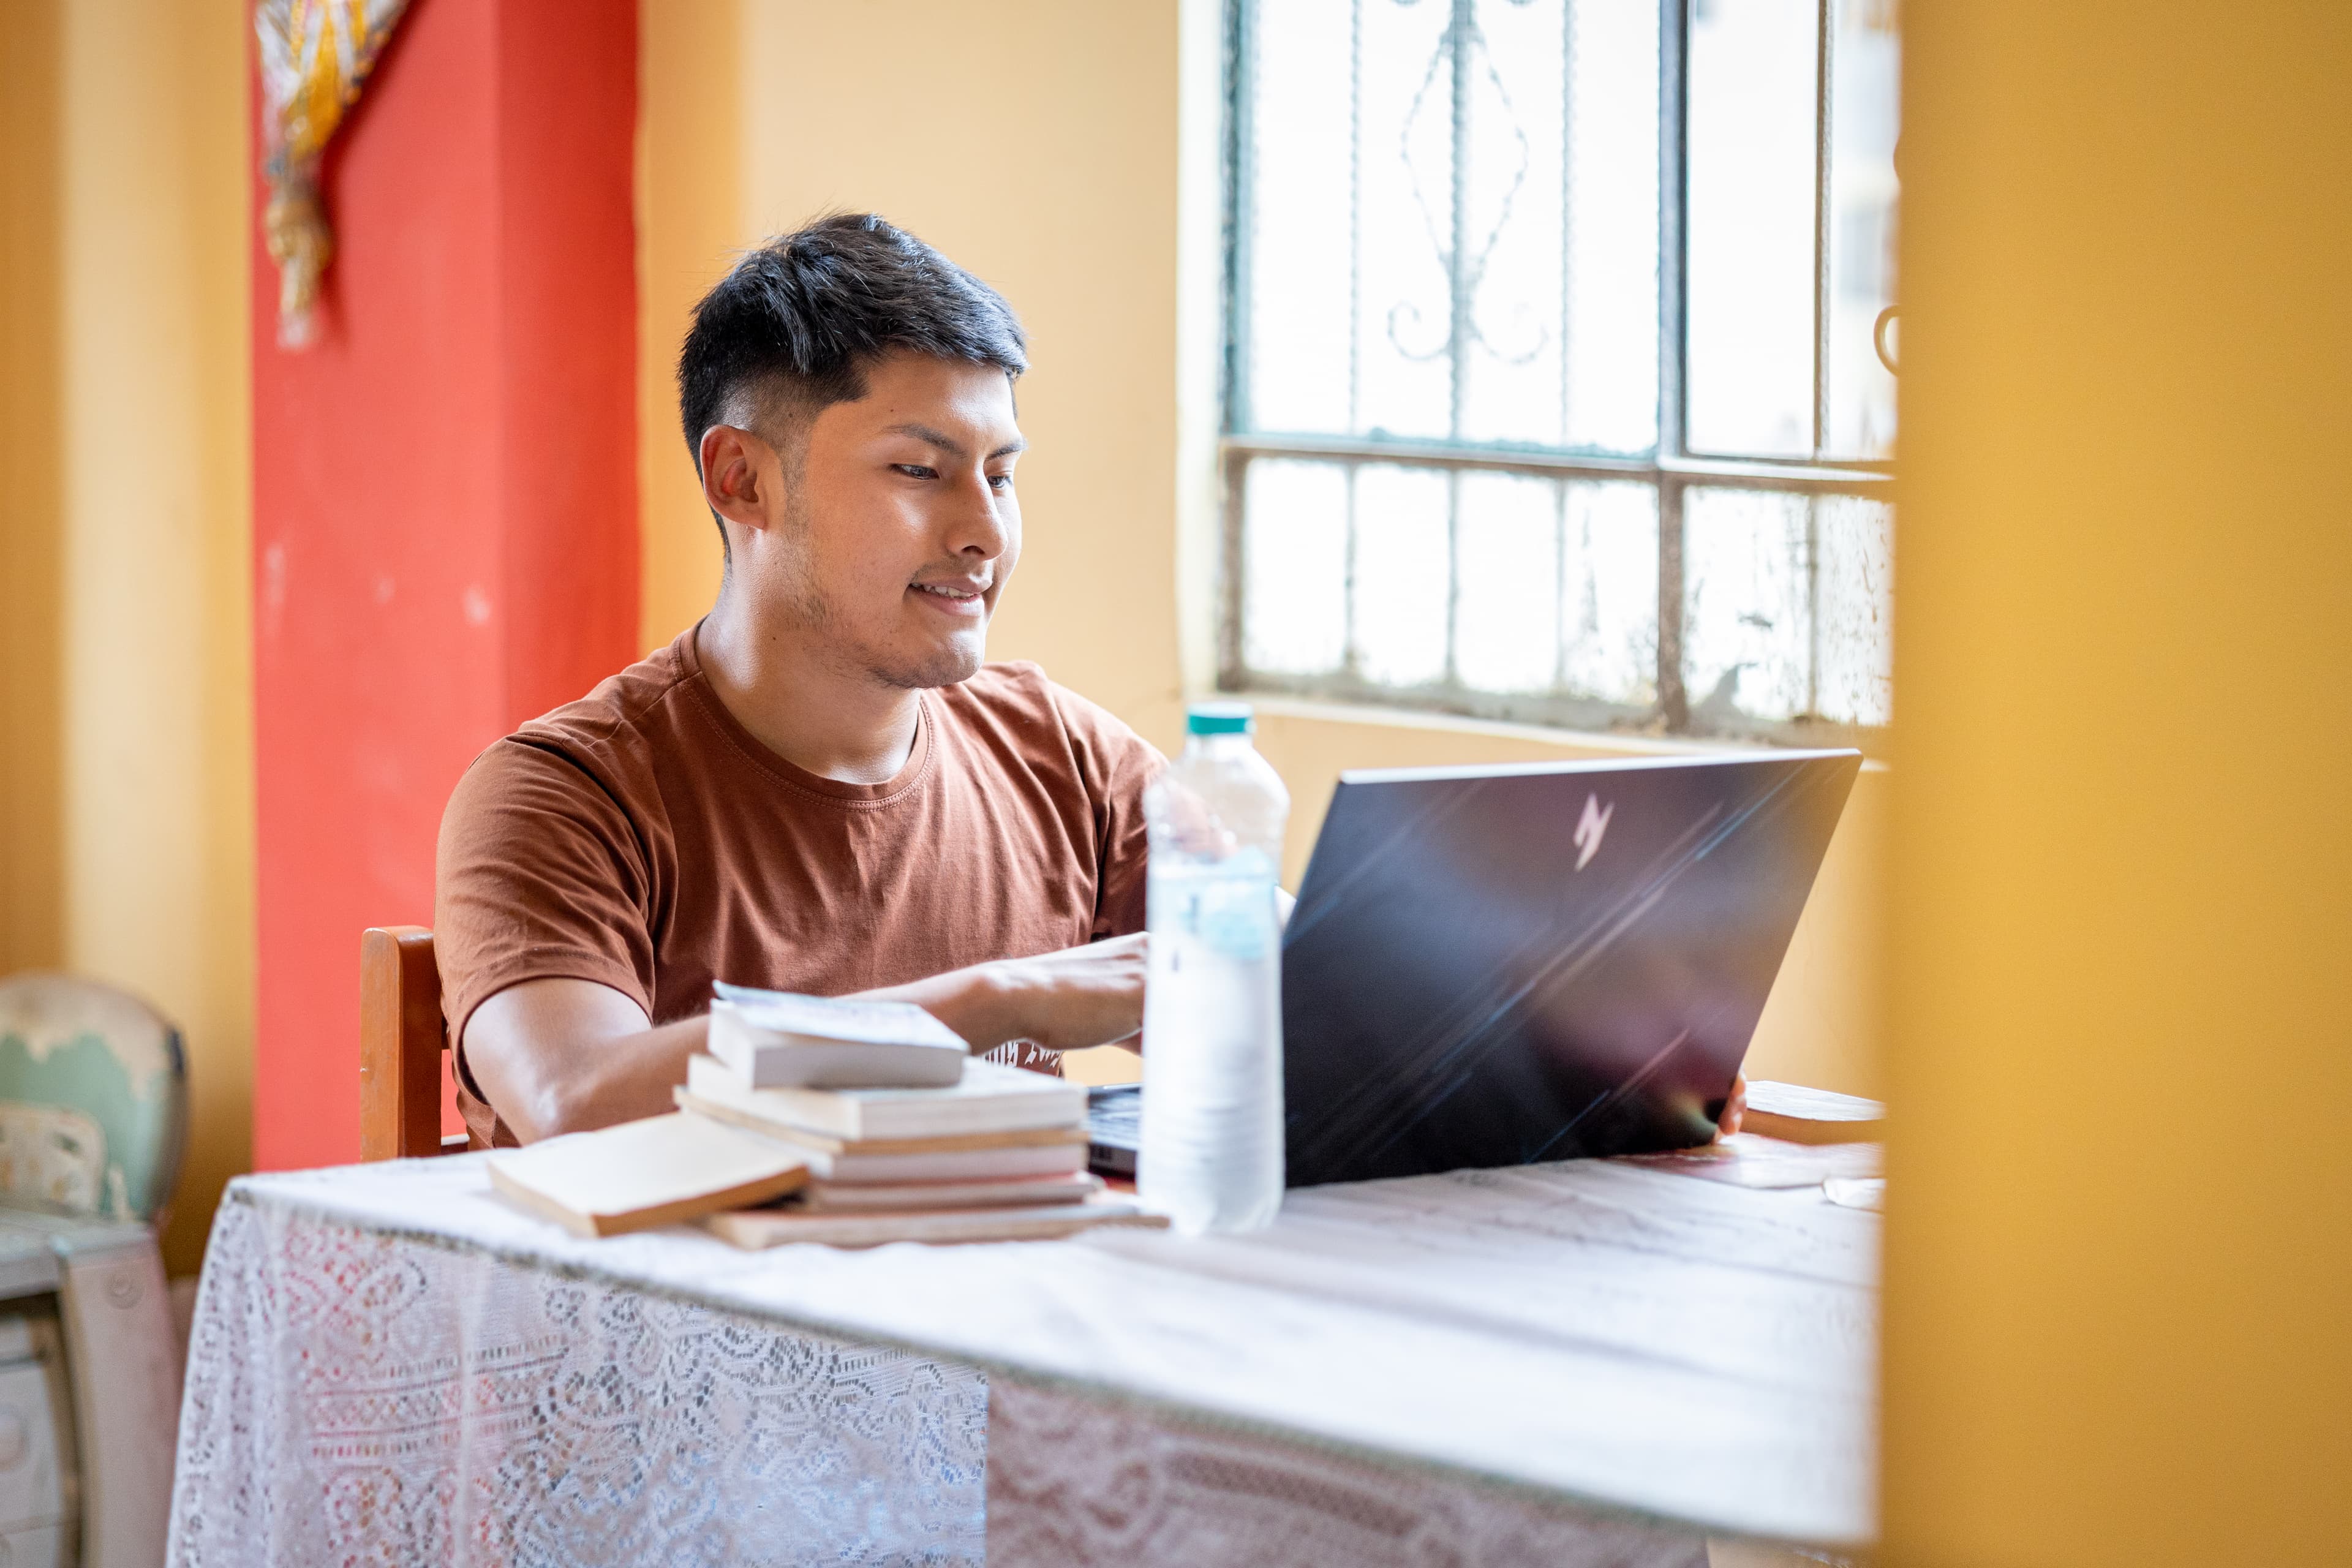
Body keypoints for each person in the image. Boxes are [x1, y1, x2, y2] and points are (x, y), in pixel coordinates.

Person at [436, 213, 1746, 1148]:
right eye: (919, 468)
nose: (986, 530)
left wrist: (1582, 1056)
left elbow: (1303, 1001)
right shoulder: (562, 795)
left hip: (1014, 1381)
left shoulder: (1052, 748)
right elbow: (574, 1098)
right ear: (744, 480)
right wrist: (994, 1001)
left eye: (1002, 472)